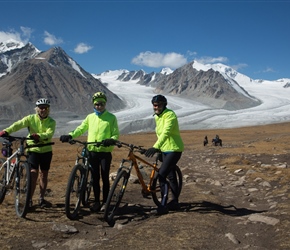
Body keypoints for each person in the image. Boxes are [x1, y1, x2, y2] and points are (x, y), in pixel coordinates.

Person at [60, 91, 119, 212]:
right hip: (92, 151)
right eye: (97, 104)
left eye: (101, 104)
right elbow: (81, 129)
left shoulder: (111, 118)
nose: (99, 106)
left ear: (105, 104)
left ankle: (105, 202)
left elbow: (115, 133)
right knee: (95, 177)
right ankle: (97, 201)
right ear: (93, 104)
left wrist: (111, 140)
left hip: (105, 152)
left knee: (104, 176)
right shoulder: (90, 117)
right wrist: (70, 135)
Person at [0, 98, 56, 208]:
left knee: (44, 175)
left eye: (45, 108)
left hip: (46, 150)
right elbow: (18, 124)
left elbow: (49, 133)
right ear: (37, 109)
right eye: (41, 108)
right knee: (33, 173)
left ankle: (41, 198)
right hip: (33, 150)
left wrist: (39, 136)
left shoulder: (51, 122)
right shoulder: (30, 118)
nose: (43, 110)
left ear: (48, 109)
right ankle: (28, 200)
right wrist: (7, 131)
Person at [145, 95, 184, 214]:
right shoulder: (158, 117)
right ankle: (175, 202)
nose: (156, 107)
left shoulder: (169, 115)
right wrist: (159, 149)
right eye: (155, 105)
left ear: (164, 105)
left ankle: (163, 205)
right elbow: (160, 135)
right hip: (164, 150)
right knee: (171, 175)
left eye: (159, 105)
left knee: (161, 175)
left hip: (174, 149)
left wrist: (155, 146)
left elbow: (166, 132)